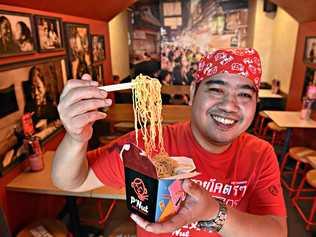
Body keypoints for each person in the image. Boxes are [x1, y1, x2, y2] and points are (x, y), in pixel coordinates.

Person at [52, 48, 287, 236]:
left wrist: (212, 212)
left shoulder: (260, 154)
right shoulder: (148, 144)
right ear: (193, 92)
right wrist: (75, 139)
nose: (229, 105)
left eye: (245, 94)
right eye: (216, 89)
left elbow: (276, 230)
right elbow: (72, 181)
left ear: (256, 103)